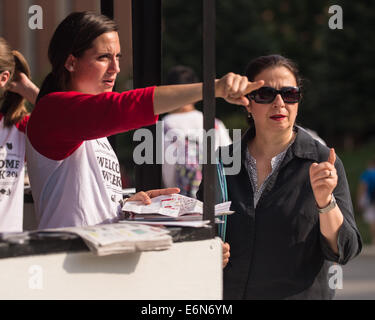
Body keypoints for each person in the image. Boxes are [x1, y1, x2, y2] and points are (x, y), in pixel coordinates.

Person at [25, 11, 263, 230]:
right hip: (68, 266)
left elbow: (82, 204)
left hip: (100, 262)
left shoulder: (84, 121)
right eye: (103, 57)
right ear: (71, 62)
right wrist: (214, 88)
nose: (115, 68)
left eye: (117, 56)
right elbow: (127, 106)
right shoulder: (52, 110)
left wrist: (128, 205)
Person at [197, 54, 362, 299]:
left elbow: (344, 250)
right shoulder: (220, 162)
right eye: (265, 94)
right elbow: (199, 232)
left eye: (289, 94)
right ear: (248, 103)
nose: (279, 102)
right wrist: (208, 250)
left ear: (298, 100)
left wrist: (326, 202)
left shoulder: (323, 161)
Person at [162, 65, 232, 198]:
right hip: (213, 201)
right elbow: (230, 163)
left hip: (177, 202)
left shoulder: (162, 126)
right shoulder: (215, 124)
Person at [0, 37, 39, 232]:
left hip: (9, 249)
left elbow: (65, 122)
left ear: (4, 78)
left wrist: (29, 89)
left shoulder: (19, 127)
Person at [357, 158, 375, 244]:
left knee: (372, 220)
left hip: (371, 199)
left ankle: (374, 239)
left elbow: (363, 187)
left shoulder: (367, 173)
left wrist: (360, 200)